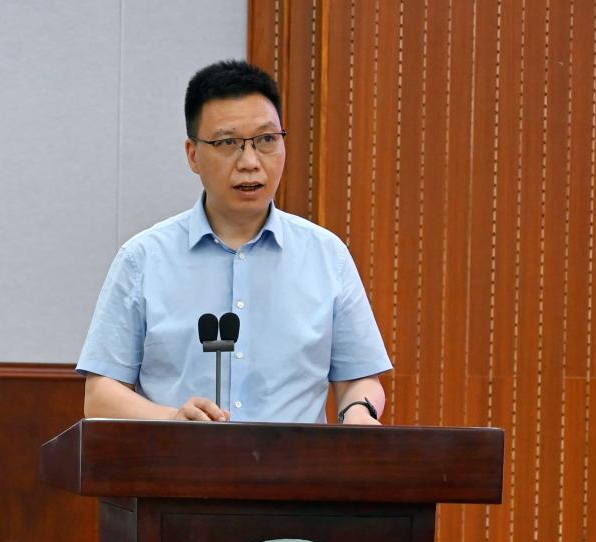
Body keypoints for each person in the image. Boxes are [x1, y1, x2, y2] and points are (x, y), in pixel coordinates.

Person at [76, 59, 390, 424]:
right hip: (179, 460)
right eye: (228, 143)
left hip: (293, 462)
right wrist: (172, 418)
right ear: (193, 155)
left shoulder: (326, 255)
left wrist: (359, 412)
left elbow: (359, 379)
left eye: (266, 140)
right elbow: (100, 395)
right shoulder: (143, 258)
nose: (250, 162)